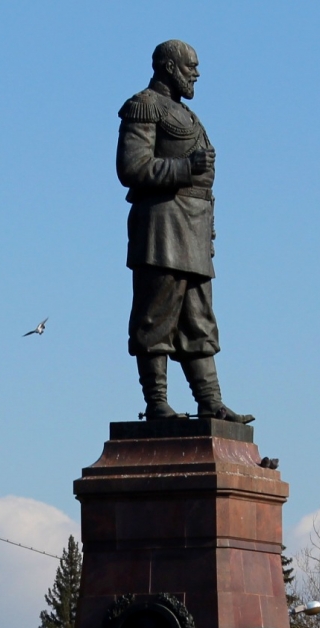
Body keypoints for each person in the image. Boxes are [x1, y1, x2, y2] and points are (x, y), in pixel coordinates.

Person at [117, 39, 253, 424]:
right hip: (160, 226)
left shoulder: (188, 115)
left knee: (199, 318)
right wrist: (185, 167)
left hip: (193, 229)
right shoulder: (143, 105)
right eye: (190, 65)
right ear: (169, 67)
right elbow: (132, 167)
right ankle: (156, 401)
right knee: (155, 316)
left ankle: (210, 400)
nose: (196, 73)